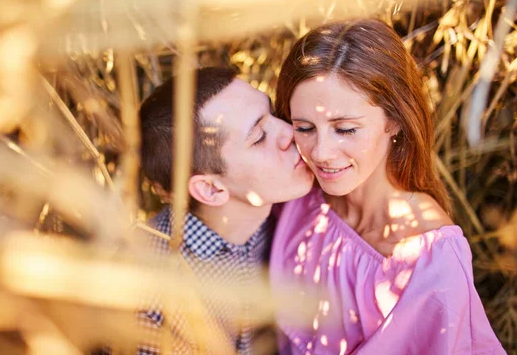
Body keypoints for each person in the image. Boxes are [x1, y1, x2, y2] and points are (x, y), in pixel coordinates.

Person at [270, 19, 505, 354]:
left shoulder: (431, 260)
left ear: (394, 119)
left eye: (346, 129)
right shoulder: (299, 195)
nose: (320, 153)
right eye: (304, 127)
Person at [137, 67, 315, 354]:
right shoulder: (153, 298)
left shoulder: (296, 212)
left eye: (272, 112)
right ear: (211, 189)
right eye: (258, 137)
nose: (288, 131)